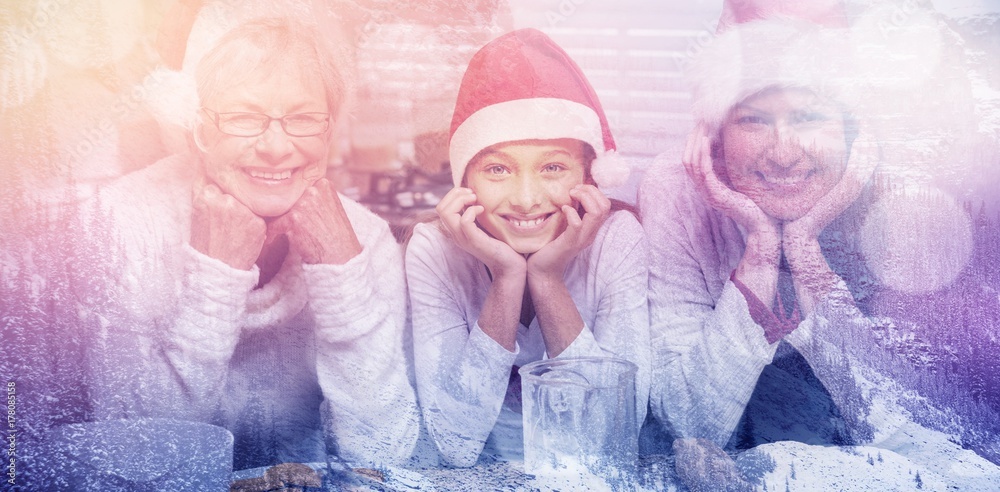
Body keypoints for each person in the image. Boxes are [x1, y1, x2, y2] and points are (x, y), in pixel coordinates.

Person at [641, 3, 1000, 488]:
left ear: (854, 130)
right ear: (715, 134)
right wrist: (761, 253)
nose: (784, 152)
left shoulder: (912, 195)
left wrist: (806, 252)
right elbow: (686, 426)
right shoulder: (677, 186)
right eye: (752, 120)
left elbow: (915, 436)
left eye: (810, 117)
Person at [80, 17, 419, 469]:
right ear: (196, 126)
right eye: (243, 117)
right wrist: (214, 279)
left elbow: (384, 454)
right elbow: (135, 461)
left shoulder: (366, 241)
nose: (277, 148)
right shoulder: (119, 225)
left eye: (302, 118)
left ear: (329, 130)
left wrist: (341, 274)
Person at [406, 28, 651, 467]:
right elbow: (453, 444)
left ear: (589, 176)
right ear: (465, 182)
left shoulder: (618, 238)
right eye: (498, 169)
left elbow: (613, 437)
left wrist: (546, 279)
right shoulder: (433, 248)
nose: (525, 199)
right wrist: (506, 278)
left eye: (553, 167)